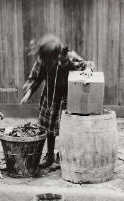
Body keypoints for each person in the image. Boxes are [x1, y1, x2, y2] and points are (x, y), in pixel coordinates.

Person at [20, 34, 94, 168]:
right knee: (48, 128)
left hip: (67, 98)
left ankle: (64, 155)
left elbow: (87, 64)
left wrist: (88, 69)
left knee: (65, 128)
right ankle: (49, 156)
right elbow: (36, 77)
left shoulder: (69, 56)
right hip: (50, 97)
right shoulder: (42, 59)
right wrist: (28, 92)